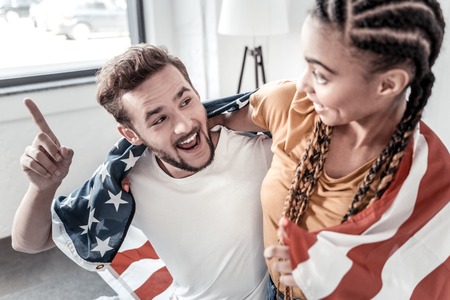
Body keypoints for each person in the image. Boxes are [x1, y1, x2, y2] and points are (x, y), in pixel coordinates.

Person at [211, 0, 450, 299]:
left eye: (321, 75)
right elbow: (204, 122)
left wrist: (326, 270)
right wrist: (140, 162)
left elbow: (418, 282)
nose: (303, 83)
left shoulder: (426, 175)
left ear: (388, 84)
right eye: (306, 64)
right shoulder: (292, 103)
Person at [12, 44, 273, 299]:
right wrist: (42, 188)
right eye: (159, 119)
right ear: (131, 134)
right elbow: (29, 242)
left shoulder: (259, 148)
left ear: (196, 91)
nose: (183, 125)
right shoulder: (126, 181)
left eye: (185, 101)